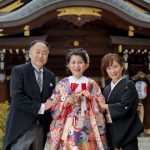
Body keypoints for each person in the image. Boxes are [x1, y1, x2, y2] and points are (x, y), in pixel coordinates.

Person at [44, 48, 109, 150]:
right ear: (68, 65)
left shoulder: (92, 84)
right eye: (73, 62)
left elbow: (102, 105)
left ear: (86, 64)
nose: (76, 66)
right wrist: (65, 103)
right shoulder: (62, 84)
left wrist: (91, 98)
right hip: (67, 125)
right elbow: (52, 105)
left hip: (88, 125)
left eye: (80, 62)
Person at [3, 40, 56, 150]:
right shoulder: (19, 71)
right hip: (21, 126)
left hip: (41, 127)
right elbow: (17, 97)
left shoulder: (50, 75)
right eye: (37, 52)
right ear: (30, 54)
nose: (41, 55)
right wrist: (41, 107)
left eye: (44, 53)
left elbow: (52, 100)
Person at [100, 53, 144, 150]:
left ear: (122, 67)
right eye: (109, 68)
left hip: (127, 133)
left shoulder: (129, 85)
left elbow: (125, 106)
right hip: (111, 132)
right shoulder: (106, 89)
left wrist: (105, 106)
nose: (112, 71)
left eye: (115, 67)